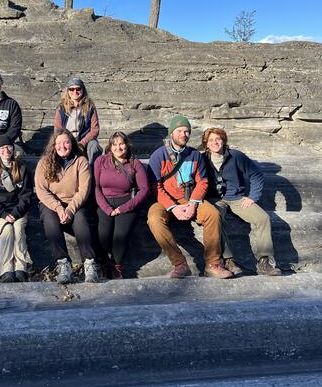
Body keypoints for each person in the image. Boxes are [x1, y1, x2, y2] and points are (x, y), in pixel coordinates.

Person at [146, 115, 233, 279]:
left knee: (213, 214)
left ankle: (212, 264)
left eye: (187, 131)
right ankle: (180, 264)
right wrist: (173, 207)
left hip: (190, 199)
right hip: (166, 201)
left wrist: (193, 203)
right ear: (171, 133)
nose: (184, 134)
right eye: (179, 131)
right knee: (154, 218)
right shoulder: (158, 156)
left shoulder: (195, 155)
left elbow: (203, 182)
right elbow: (155, 186)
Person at [202, 127, 281, 276]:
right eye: (211, 140)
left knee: (262, 218)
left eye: (218, 139)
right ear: (206, 144)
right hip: (214, 199)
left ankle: (264, 262)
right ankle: (228, 260)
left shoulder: (236, 156)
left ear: (224, 141)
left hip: (237, 198)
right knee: (216, 217)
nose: (215, 142)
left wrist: (252, 197)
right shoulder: (202, 158)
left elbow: (256, 174)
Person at [35, 128, 98, 283]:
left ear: (72, 144)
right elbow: (42, 191)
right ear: (53, 145)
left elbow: (84, 190)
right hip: (51, 204)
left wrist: (69, 209)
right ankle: (63, 264)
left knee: (81, 219)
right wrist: (58, 208)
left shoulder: (81, 161)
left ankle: (89, 263)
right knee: (49, 220)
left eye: (66, 142)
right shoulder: (44, 163)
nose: (62, 146)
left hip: (75, 203)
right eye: (58, 143)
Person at [94, 131, 149, 278]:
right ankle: (103, 263)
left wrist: (125, 207)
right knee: (103, 235)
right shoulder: (101, 161)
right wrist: (107, 209)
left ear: (127, 145)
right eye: (115, 144)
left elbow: (144, 190)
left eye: (121, 144)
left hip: (126, 203)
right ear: (110, 147)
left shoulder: (134, 163)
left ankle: (117, 267)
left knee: (120, 235)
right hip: (104, 202)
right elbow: (95, 187)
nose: (118, 147)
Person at [0, 135, 33, 282]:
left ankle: (20, 268)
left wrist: (15, 213)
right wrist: (4, 215)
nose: (6, 150)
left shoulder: (22, 169)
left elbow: (26, 196)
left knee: (17, 229)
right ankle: (6, 270)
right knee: (7, 230)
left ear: (13, 148)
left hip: (19, 212)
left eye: (9, 146)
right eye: (2, 148)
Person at [54, 77, 102, 165]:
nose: (75, 92)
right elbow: (58, 129)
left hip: (85, 139)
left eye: (78, 89)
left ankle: (91, 171)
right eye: (71, 89)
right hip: (67, 138)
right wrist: (67, 141)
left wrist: (82, 143)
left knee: (94, 146)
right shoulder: (61, 108)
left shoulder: (90, 106)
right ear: (67, 91)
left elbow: (95, 130)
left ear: (83, 90)